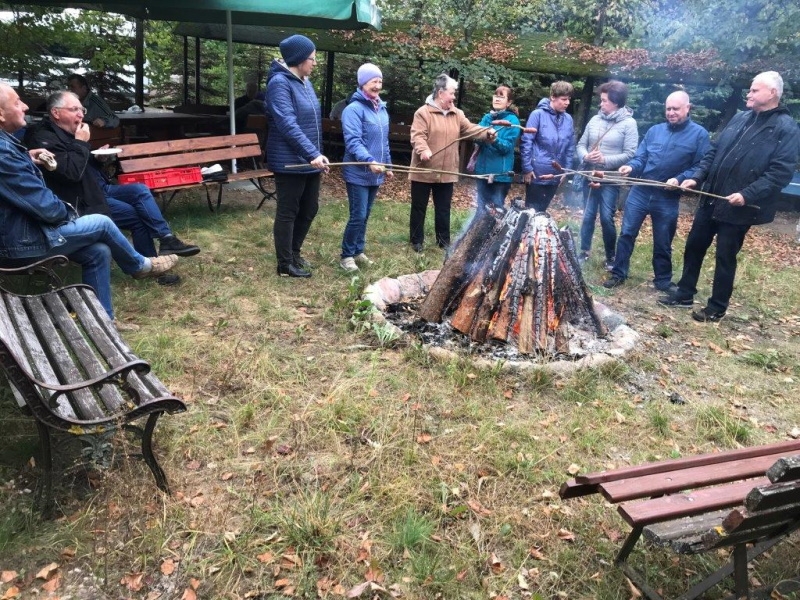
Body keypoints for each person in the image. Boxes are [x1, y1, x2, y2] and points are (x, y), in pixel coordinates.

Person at [0, 83, 178, 326]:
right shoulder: (18, 146)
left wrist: (28, 158)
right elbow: (49, 199)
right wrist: (70, 214)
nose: (26, 106)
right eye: (18, 102)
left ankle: (104, 321)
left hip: (27, 230)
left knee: (99, 251)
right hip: (19, 243)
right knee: (102, 223)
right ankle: (140, 265)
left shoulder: (9, 146)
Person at [659, 71, 800, 322]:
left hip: (739, 206)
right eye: (751, 89)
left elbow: (780, 172)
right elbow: (713, 152)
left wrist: (747, 194)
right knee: (694, 246)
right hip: (712, 196)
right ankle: (684, 293)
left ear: (773, 93)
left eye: (755, 90)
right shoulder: (739, 118)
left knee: (725, 256)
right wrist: (697, 177)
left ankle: (716, 307)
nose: (750, 93)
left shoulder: (785, 128)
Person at [25, 91, 200, 286]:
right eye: (74, 109)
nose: (81, 115)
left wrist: (98, 158)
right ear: (56, 113)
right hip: (76, 204)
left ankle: (159, 253)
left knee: (138, 203)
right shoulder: (43, 137)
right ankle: (148, 260)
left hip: (94, 192)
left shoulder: (71, 134)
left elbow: (82, 164)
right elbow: (70, 173)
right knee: (134, 213)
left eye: (81, 109)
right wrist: (81, 143)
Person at [603, 91, 710, 291]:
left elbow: (700, 166)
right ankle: (618, 272)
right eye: (668, 108)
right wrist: (632, 167)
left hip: (667, 196)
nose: (671, 112)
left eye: (675, 109)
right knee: (626, 233)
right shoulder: (655, 131)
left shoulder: (699, 135)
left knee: (663, 240)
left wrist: (679, 179)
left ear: (687, 108)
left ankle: (662, 281)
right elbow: (641, 157)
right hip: (641, 190)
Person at [265, 34, 329, 278]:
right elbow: (287, 124)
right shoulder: (279, 83)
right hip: (289, 161)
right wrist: (312, 153)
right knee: (288, 211)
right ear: (299, 59)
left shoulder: (304, 81)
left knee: (309, 209)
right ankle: (284, 264)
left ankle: (294, 253)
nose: (314, 62)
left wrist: (318, 155)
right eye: (312, 58)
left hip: (309, 159)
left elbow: (311, 123)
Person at [409, 74, 495, 251]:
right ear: (441, 93)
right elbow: (417, 135)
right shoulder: (423, 113)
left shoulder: (457, 114)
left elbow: (470, 129)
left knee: (443, 208)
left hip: (447, 171)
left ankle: (443, 241)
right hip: (424, 170)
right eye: (452, 93)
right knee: (419, 207)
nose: (454, 97)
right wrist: (423, 149)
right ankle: (416, 241)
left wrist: (487, 133)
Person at [575, 80, 638, 270]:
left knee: (605, 217)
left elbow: (630, 153)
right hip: (590, 175)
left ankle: (611, 256)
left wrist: (605, 160)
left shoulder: (629, 124)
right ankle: (584, 251)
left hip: (610, 179)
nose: (601, 104)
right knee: (587, 215)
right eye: (601, 100)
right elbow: (580, 145)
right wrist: (586, 155)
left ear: (616, 102)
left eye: (604, 101)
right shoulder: (595, 120)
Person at [339, 63, 394, 272]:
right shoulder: (353, 110)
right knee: (358, 215)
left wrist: (387, 164)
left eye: (380, 81)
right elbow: (353, 142)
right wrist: (370, 160)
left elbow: (384, 141)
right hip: (358, 173)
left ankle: (358, 250)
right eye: (374, 81)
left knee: (366, 214)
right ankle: (346, 256)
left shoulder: (382, 109)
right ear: (363, 83)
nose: (378, 85)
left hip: (376, 173)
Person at [520, 81, 576, 212]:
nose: (567, 103)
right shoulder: (537, 115)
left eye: (569, 99)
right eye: (564, 99)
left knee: (542, 211)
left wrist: (566, 170)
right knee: (531, 212)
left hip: (556, 173)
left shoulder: (568, 119)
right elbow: (526, 141)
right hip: (536, 172)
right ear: (552, 97)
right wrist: (527, 168)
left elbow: (570, 146)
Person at [473, 85, 520, 210]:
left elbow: (507, 147)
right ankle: (477, 230)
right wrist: (482, 137)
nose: (497, 99)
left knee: (496, 210)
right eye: (496, 96)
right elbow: (476, 137)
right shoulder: (487, 118)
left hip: (500, 175)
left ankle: (496, 230)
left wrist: (494, 140)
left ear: (509, 102)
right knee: (481, 209)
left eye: (501, 97)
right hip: (482, 172)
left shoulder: (513, 121)